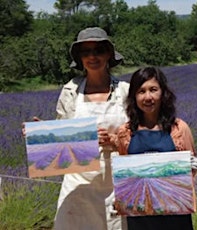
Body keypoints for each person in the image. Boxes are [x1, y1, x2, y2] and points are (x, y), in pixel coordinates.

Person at [54, 27, 130, 229]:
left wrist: (116, 140)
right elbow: (61, 142)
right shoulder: (70, 91)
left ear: (108, 54)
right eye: (85, 52)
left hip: (117, 179)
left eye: (98, 50)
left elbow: (140, 133)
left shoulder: (126, 91)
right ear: (80, 58)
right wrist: (41, 135)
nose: (92, 56)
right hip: (78, 180)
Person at [116, 66, 197, 230]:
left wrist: (191, 166)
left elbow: (192, 173)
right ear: (134, 96)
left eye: (153, 90)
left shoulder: (179, 129)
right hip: (140, 219)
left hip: (175, 217)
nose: (148, 97)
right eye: (141, 91)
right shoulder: (125, 133)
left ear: (163, 93)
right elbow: (125, 178)